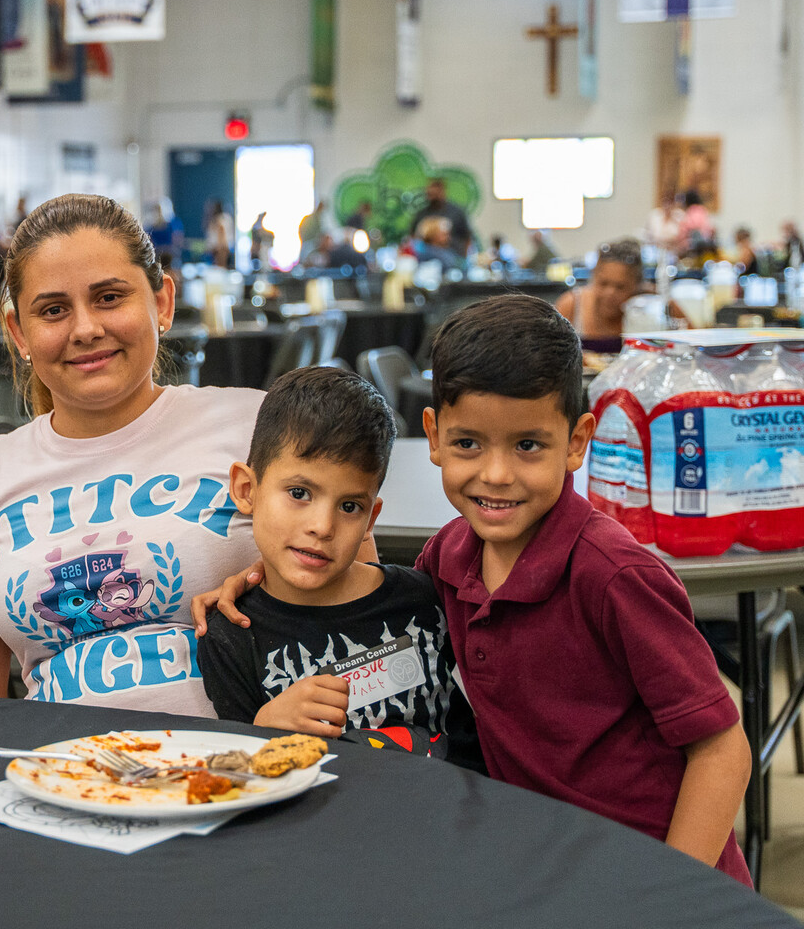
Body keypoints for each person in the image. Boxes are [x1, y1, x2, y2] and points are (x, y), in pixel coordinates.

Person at [195, 295, 752, 885]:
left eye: (528, 445)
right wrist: (261, 574)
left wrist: (676, 892)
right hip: (527, 871)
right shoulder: (449, 559)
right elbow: (362, 585)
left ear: (577, 440)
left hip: (644, 878)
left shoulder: (614, 576)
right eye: (468, 444)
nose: (496, 474)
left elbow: (721, 749)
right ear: (433, 435)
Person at [0, 193, 268, 715]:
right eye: (53, 310)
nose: (85, 329)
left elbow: (362, 612)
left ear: (162, 302)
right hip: (64, 776)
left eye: (110, 297)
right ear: (18, 332)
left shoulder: (260, 427)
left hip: (252, 766)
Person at [197, 367, 482, 771]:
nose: (322, 526)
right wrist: (262, 734)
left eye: (350, 506)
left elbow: (476, 749)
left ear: (370, 519)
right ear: (247, 490)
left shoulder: (427, 601)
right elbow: (241, 782)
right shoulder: (229, 635)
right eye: (299, 493)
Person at [553, 238, 645, 354]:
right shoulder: (571, 305)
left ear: (636, 286)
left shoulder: (651, 308)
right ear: (593, 278)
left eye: (620, 287)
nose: (610, 293)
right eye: (603, 284)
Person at [408, 178, 473, 260]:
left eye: (435, 194)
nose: (432, 196)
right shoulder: (422, 214)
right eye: (430, 194)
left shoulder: (456, 212)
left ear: (443, 192)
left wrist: (464, 258)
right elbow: (413, 237)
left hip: (453, 255)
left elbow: (467, 237)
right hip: (427, 257)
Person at [144, 198, 184, 273]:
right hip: (156, 259)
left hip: (172, 258)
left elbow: (177, 241)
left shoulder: (173, 225)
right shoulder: (150, 227)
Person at [205, 198, 234, 268]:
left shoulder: (221, 220)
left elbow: (222, 240)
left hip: (221, 250)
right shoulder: (218, 220)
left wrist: (221, 251)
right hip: (218, 251)